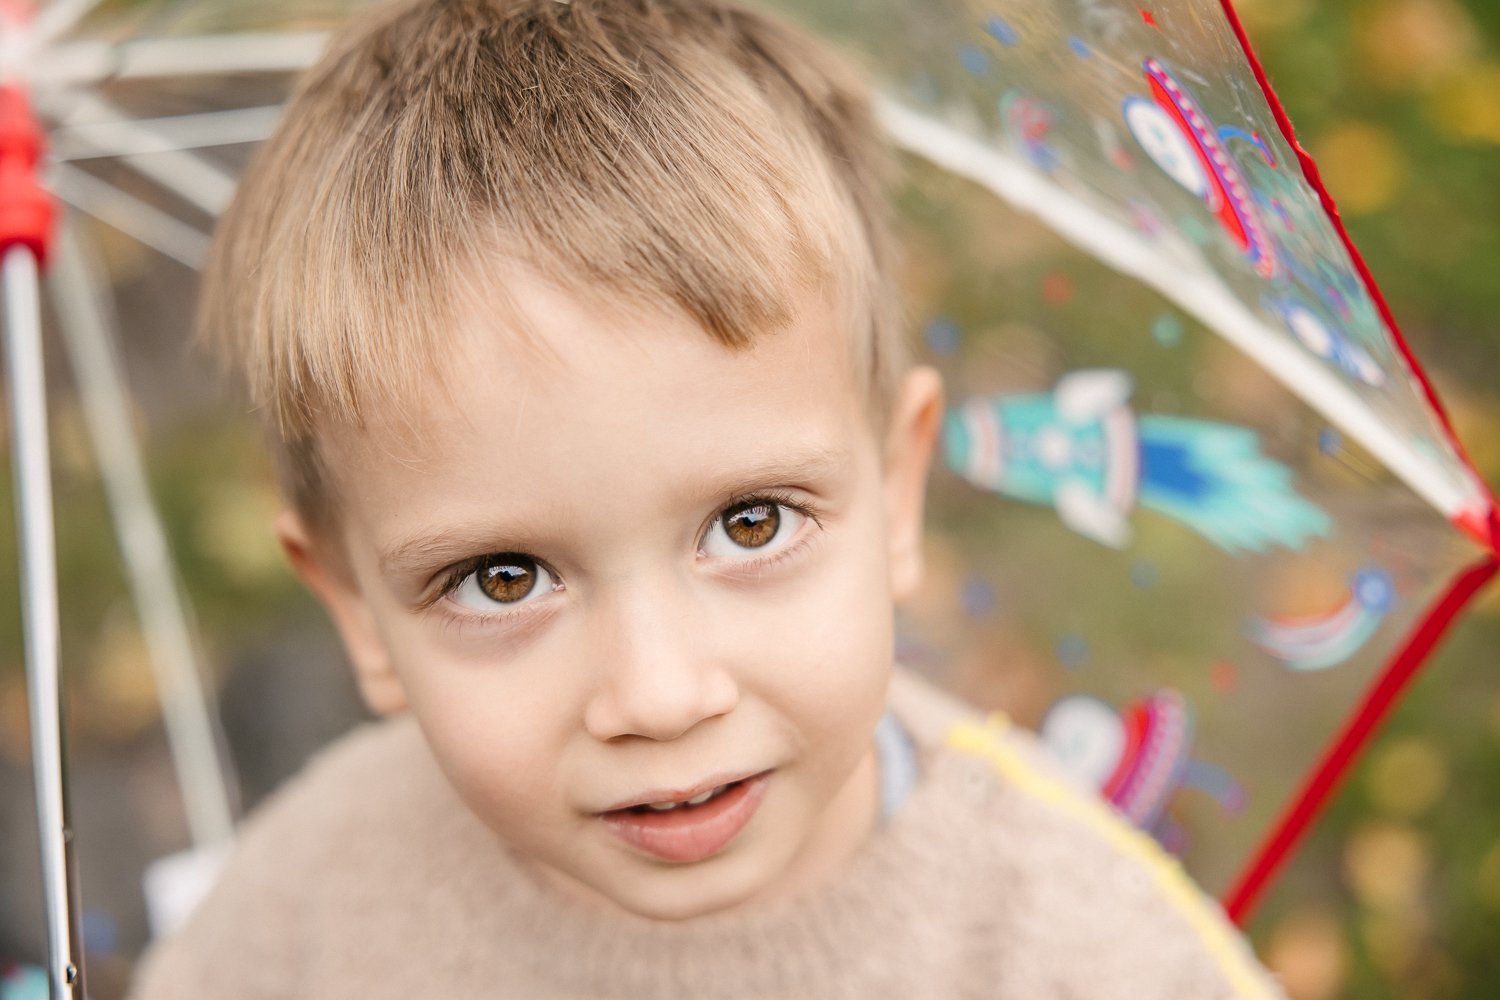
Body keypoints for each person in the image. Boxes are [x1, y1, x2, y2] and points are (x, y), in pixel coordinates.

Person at [129, 0, 1287, 996]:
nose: (659, 694)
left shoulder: (1082, 954)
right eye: (504, 576)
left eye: (751, 522)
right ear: (353, 610)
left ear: (895, 489)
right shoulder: (297, 915)